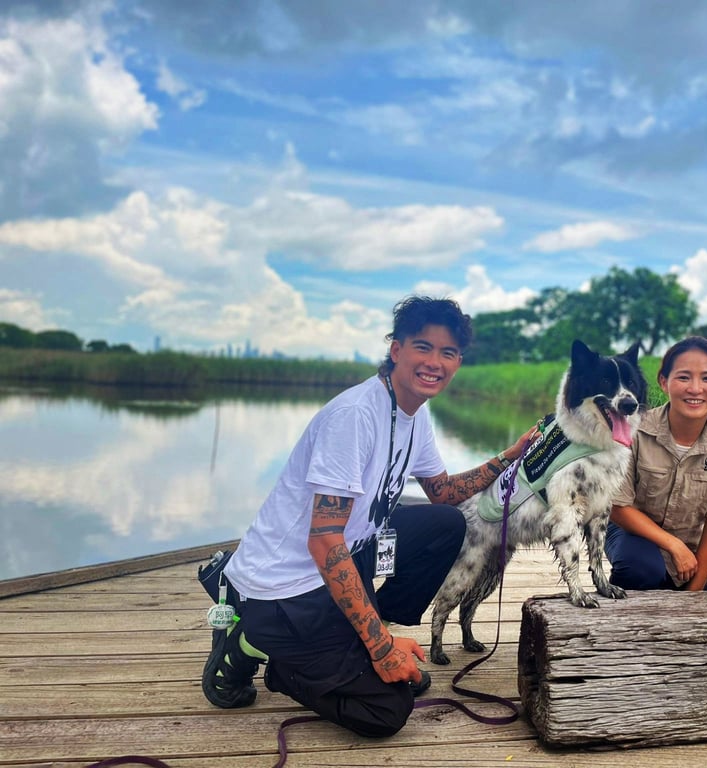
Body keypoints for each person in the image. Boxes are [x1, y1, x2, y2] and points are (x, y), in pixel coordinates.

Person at [202, 296, 537, 738]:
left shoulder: (415, 413)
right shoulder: (356, 416)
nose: (435, 362)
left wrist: (509, 457)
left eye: (448, 353)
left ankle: (361, 628)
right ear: (396, 349)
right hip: (288, 585)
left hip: (342, 560)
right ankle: (254, 644)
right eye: (423, 347)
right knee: (386, 710)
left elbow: (441, 493)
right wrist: (379, 648)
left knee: (445, 525)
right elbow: (323, 540)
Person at [606, 336, 707, 592]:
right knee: (641, 567)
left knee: (691, 601)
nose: (695, 389)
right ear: (664, 382)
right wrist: (673, 545)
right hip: (628, 532)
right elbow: (618, 508)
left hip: (689, 544)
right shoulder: (633, 431)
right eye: (683, 377)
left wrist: (692, 595)